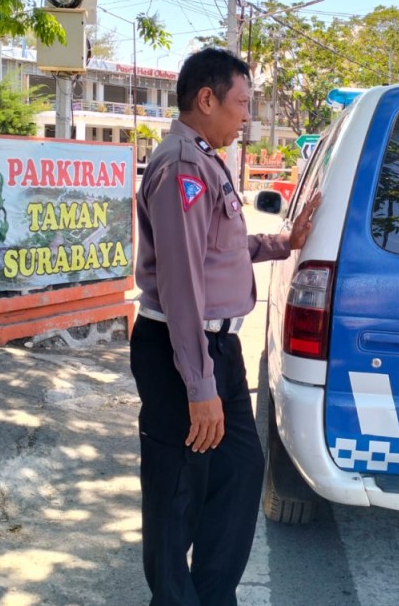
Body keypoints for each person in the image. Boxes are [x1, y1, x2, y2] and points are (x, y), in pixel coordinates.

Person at [129, 47, 321, 605]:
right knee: (177, 491)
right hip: (179, 348)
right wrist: (200, 385)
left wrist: (284, 243)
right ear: (206, 99)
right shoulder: (183, 166)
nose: (246, 117)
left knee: (238, 472)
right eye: (240, 103)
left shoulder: (207, 159)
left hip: (216, 346)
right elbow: (183, 281)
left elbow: (221, 248)